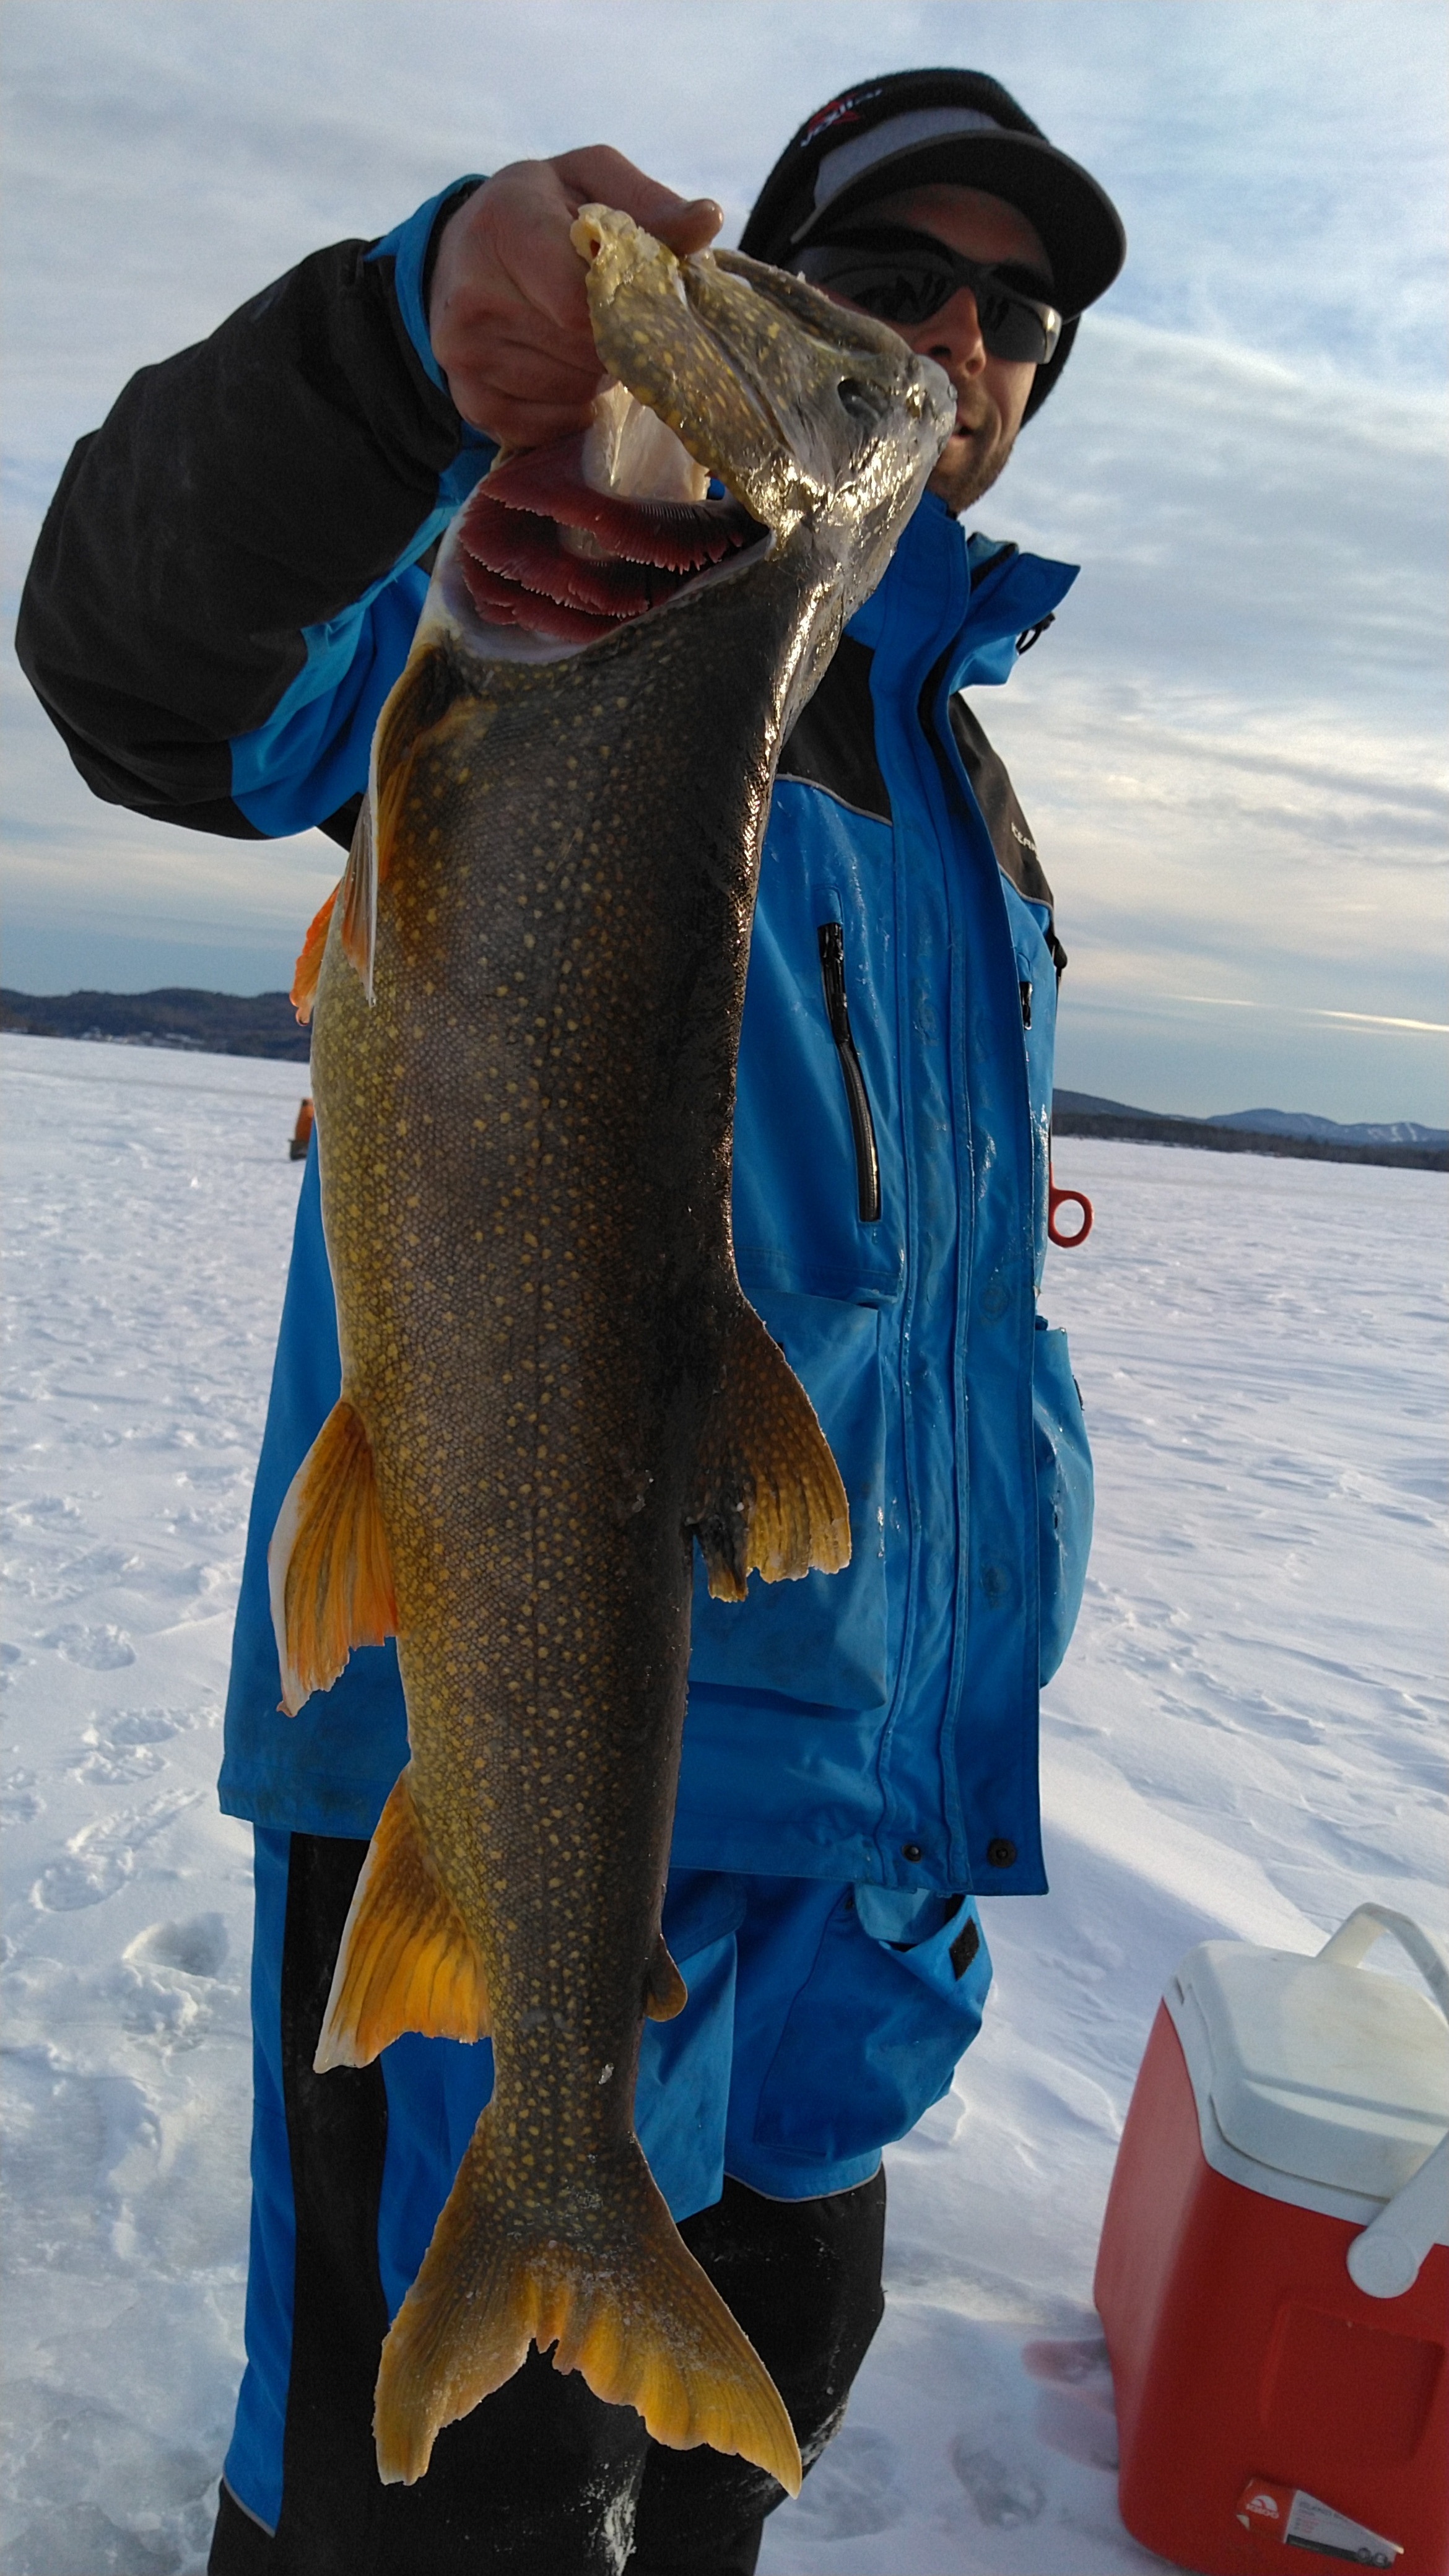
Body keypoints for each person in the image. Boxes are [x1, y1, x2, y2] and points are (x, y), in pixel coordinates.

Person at [17, 65, 1122, 2576]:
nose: (962, 335)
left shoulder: (963, 790)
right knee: (438, 2519)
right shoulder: (521, 573)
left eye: (1021, 309)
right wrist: (400, 352)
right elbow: (142, 658)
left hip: (859, 1857)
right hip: (499, 1770)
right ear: (781, 297)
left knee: (736, 2433)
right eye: (897, 280)